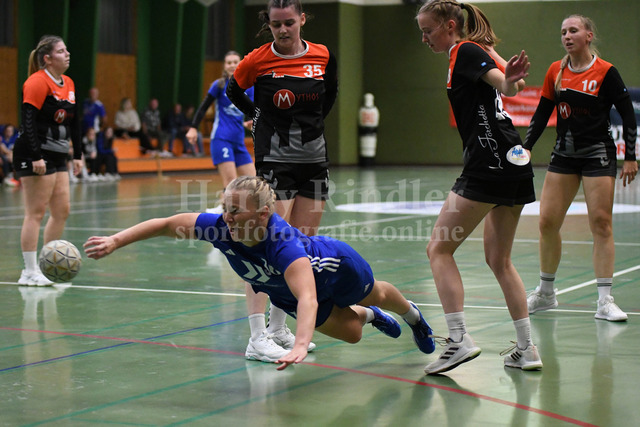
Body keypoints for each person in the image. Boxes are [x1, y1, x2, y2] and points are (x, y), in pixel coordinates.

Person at [84, 176, 437, 370]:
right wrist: (115, 240)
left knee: (377, 294)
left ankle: (414, 316)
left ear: (263, 214)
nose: (227, 216)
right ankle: (372, 317)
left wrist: (300, 345)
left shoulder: (283, 245)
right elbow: (165, 224)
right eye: (225, 207)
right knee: (353, 334)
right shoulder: (220, 228)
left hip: (336, 269)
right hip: (288, 293)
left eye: (235, 210)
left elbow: (308, 296)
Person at [416, 0, 542, 374]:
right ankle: (527, 349)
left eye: (427, 31)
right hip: (514, 162)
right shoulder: (474, 50)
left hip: (488, 163)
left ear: (449, 25)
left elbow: (507, 85)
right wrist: (511, 77)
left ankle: (458, 340)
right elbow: (513, 85)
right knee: (499, 260)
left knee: (438, 249)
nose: (424, 38)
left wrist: (510, 78)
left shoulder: (467, 50)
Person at [226, 0, 339, 362]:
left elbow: (330, 95)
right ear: (269, 24)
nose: (283, 30)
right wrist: (257, 115)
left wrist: (311, 126)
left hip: (314, 160)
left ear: (302, 19)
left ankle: (278, 328)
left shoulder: (323, 56)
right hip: (275, 160)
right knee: (265, 243)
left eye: (289, 22)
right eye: (276, 24)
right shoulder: (258, 60)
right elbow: (233, 90)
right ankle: (256, 335)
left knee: (299, 245)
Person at [524, 15, 637, 322]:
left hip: (597, 154)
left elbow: (628, 114)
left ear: (588, 36)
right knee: (547, 222)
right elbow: (542, 113)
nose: (567, 36)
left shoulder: (606, 72)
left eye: (573, 30)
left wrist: (630, 156)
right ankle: (546, 293)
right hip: (564, 155)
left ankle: (604, 301)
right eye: (563, 32)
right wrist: (527, 145)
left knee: (601, 223)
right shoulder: (555, 71)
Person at [12, 35, 82, 286]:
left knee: (62, 211)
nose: (67, 54)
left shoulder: (69, 83)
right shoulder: (36, 82)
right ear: (48, 59)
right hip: (34, 153)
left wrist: (77, 155)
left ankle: (48, 267)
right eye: (61, 51)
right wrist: (36, 156)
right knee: (36, 212)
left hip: (58, 154)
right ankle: (29, 272)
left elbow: (75, 122)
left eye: (66, 50)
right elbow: (28, 122)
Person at [187, 50, 256, 198]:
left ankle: (236, 208)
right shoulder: (219, 85)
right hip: (221, 138)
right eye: (229, 62)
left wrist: (252, 121)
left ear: (241, 64)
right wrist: (193, 128)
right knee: (231, 182)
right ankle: (224, 209)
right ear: (224, 66)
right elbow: (203, 107)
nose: (232, 65)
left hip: (238, 141)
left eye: (235, 62)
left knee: (254, 182)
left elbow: (253, 111)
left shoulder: (249, 87)